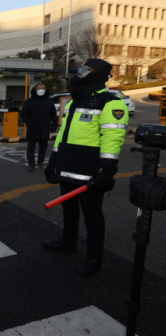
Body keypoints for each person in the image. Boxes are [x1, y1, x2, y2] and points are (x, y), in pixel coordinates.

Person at [43, 58, 129, 275]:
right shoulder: (73, 101)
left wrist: (106, 171)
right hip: (67, 166)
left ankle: (94, 257)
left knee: (92, 215)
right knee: (69, 209)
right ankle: (68, 242)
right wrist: (53, 162)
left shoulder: (111, 102)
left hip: (90, 171)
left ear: (96, 74)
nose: (78, 74)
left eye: (83, 70)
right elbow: (62, 135)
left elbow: (113, 138)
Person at [20, 83, 57, 172]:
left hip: (44, 128)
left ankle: (40, 162)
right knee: (30, 148)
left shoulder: (49, 101)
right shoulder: (29, 101)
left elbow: (53, 114)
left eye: (43, 88)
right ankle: (31, 165)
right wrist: (29, 122)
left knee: (44, 147)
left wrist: (54, 124)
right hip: (33, 128)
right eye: (39, 88)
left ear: (46, 90)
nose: (41, 90)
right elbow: (23, 114)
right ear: (35, 90)